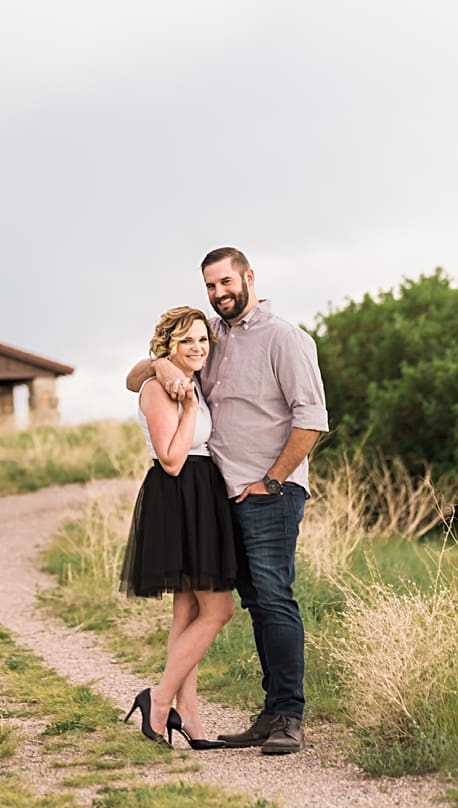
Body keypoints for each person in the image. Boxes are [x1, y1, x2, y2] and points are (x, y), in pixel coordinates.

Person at [126, 247, 329, 755]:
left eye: (225, 283)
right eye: (210, 287)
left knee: (273, 598)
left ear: (248, 277)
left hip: (267, 494)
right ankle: (264, 712)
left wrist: (275, 480)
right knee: (252, 602)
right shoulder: (212, 337)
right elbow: (140, 377)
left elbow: (311, 420)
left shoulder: (285, 338)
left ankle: (288, 715)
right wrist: (158, 364)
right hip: (216, 497)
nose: (219, 294)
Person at [121, 306, 236, 751]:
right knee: (218, 610)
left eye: (203, 340)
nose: (198, 348)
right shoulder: (159, 388)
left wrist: (186, 389)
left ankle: (189, 715)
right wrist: (187, 403)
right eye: (187, 340)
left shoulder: (185, 379)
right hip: (180, 492)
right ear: (168, 343)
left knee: (187, 611)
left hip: (201, 492)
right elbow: (171, 460)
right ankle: (159, 697)